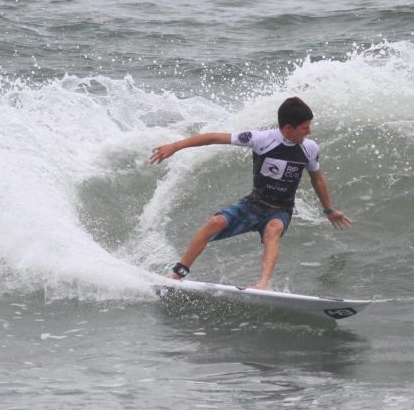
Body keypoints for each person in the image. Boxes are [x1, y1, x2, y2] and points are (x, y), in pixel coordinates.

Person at [150, 97, 352, 289]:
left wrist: (329, 210)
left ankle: (263, 284)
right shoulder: (261, 139)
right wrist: (175, 146)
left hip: (281, 209)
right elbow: (213, 137)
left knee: (272, 232)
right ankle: (178, 273)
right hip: (254, 204)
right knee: (214, 223)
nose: (309, 132)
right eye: (305, 128)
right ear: (288, 128)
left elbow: (317, 178)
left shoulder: (309, 148)